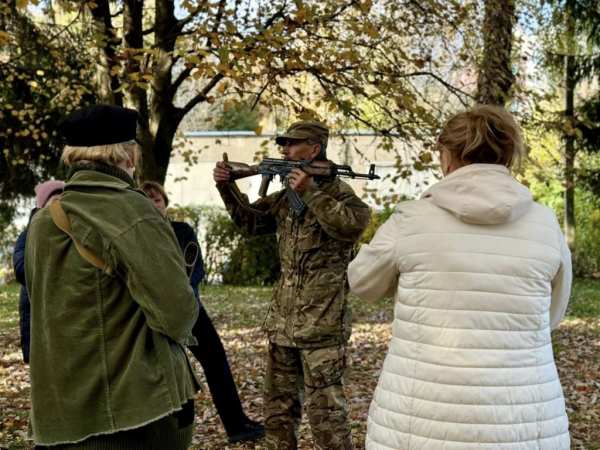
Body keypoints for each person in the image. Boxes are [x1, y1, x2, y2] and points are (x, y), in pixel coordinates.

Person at [348, 105, 572, 450]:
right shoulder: (546, 225)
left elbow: (362, 284)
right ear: (508, 156)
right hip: (523, 422)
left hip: (418, 420)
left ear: (447, 156)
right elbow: (551, 315)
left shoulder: (411, 220)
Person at [25, 104, 201, 449]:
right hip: (139, 408)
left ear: (72, 158)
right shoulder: (136, 212)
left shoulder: (43, 220)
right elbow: (178, 314)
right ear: (130, 156)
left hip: (63, 411)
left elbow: (43, 306)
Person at [213, 121, 371, 450]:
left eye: (292, 143)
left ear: (314, 149)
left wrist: (309, 193)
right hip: (283, 326)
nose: (284, 149)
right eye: (283, 144)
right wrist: (227, 186)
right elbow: (250, 221)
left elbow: (351, 227)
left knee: (327, 417)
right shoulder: (286, 196)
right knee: (278, 414)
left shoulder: (341, 194)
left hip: (322, 327)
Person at [139, 180, 265, 443]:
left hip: (191, 310)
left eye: (157, 200)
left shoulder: (182, 230)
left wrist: (181, 289)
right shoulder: (137, 235)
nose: (153, 204)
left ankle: (237, 425)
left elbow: (196, 268)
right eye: (146, 200)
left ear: (165, 205)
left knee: (217, 363)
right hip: (154, 315)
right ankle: (173, 433)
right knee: (174, 370)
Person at [13, 180, 64, 364]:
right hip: (36, 315)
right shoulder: (27, 236)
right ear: (42, 206)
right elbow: (21, 270)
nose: (60, 207)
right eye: (55, 201)